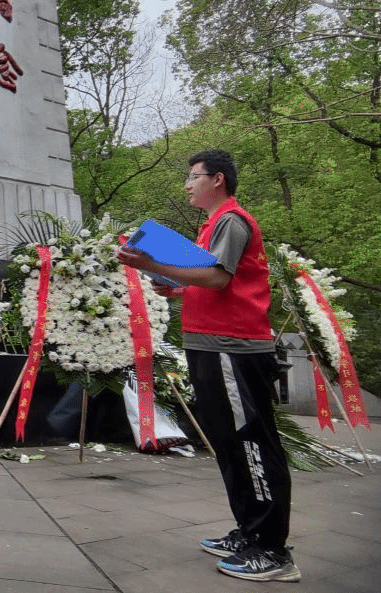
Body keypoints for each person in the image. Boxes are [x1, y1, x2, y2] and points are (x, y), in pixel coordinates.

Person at [116, 149, 298, 583]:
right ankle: (249, 532)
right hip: (209, 345)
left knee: (250, 442)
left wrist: (151, 263)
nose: (187, 184)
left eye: (193, 177)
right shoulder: (210, 227)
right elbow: (209, 283)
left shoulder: (232, 220)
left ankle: (273, 551)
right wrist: (174, 287)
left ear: (217, 180)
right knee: (229, 443)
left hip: (233, 347)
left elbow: (218, 278)